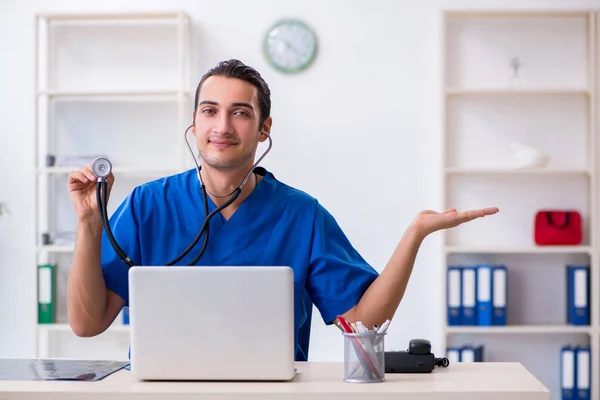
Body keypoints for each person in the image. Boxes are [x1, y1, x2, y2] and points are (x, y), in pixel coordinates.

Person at [66, 59, 498, 361]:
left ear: (263, 128)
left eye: (240, 113)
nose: (222, 127)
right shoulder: (147, 205)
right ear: (194, 125)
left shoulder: (300, 214)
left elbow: (362, 326)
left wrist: (415, 234)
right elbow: (87, 324)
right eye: (210, 111)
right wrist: (88, 225)